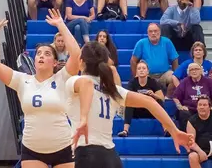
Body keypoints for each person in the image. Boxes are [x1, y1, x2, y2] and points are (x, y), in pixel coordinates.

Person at [65, 41, 194, 168]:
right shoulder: (113, 89)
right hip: (111, 157)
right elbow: (150, 101)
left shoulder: (75, 81)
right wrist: (174, 130)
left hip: (87, 154)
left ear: (81, 62)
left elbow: (86, 84)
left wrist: (83, 119)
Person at [0, 9, 81, 168]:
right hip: (32, 149)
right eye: (38, 53)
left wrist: (60, 25)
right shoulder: (21, 80)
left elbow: (77, 55)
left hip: (63, 147)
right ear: (34, 59)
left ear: (55, 63)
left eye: (47, 54)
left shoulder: (63, 78)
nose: (42, 56)